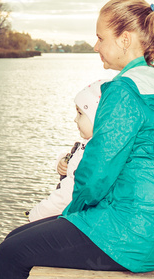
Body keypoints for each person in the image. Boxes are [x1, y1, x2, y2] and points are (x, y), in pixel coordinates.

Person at [0, 0, 154, 279]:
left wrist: (69, 215)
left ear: (125, 39)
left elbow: (96, 175)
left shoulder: (123, 91)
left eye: (101, 38)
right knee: (20, 237)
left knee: (11, 252)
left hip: (131, 236)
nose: (96, 46)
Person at [25, 81, 103, 222]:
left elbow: (68, 195)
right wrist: (61, 162)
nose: (75, 119)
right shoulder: (88, 144)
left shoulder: (93, 153)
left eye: (80, 113)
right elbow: (73, 160)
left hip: (74, 215)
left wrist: (36, 214)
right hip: (76, 214)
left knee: (14, 242)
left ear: (96, 117)